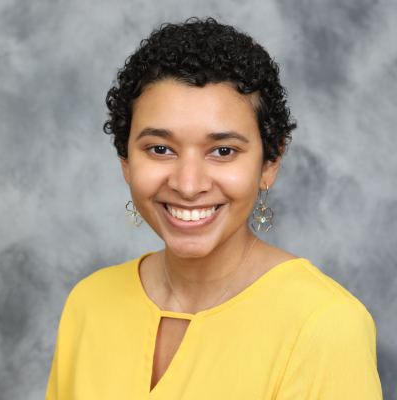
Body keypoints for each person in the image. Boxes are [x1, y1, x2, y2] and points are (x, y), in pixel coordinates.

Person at [45, 17, 382, 399]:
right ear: (125, 160)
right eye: (160, 148)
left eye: (223, 151)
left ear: (269, 162)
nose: (188, 185)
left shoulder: (324, 325)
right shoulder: (89, 302)